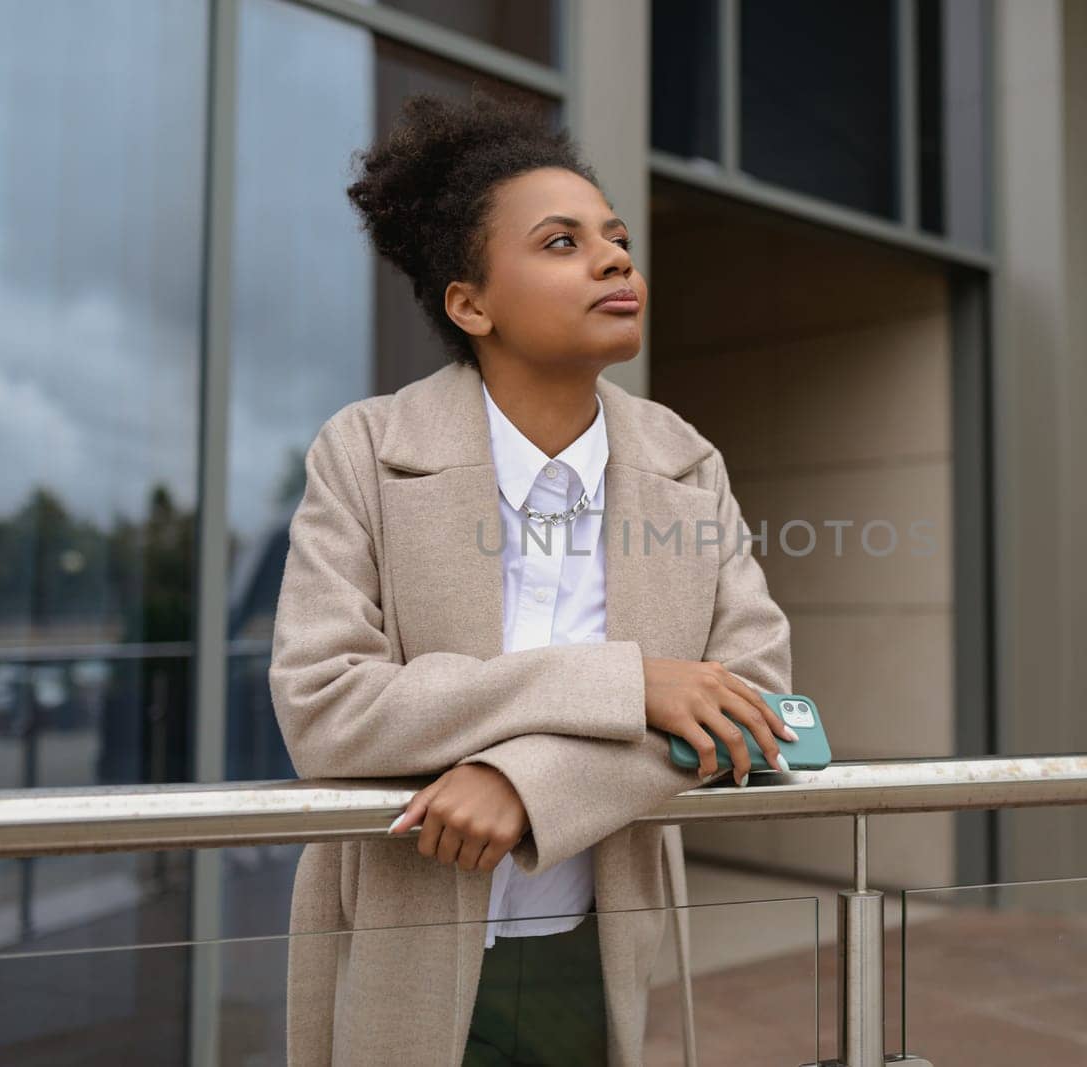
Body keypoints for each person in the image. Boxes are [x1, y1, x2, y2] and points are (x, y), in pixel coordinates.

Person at [269, 89, 794, 1066]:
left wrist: (528, 781)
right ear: (471, 302)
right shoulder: (366, 450)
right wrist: (627, 681)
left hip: (596, 939)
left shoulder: (688, 461)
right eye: (560, 242)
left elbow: (758, 707)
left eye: (617, 237)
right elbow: (326, 706)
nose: (614, 258)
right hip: (400, 930)